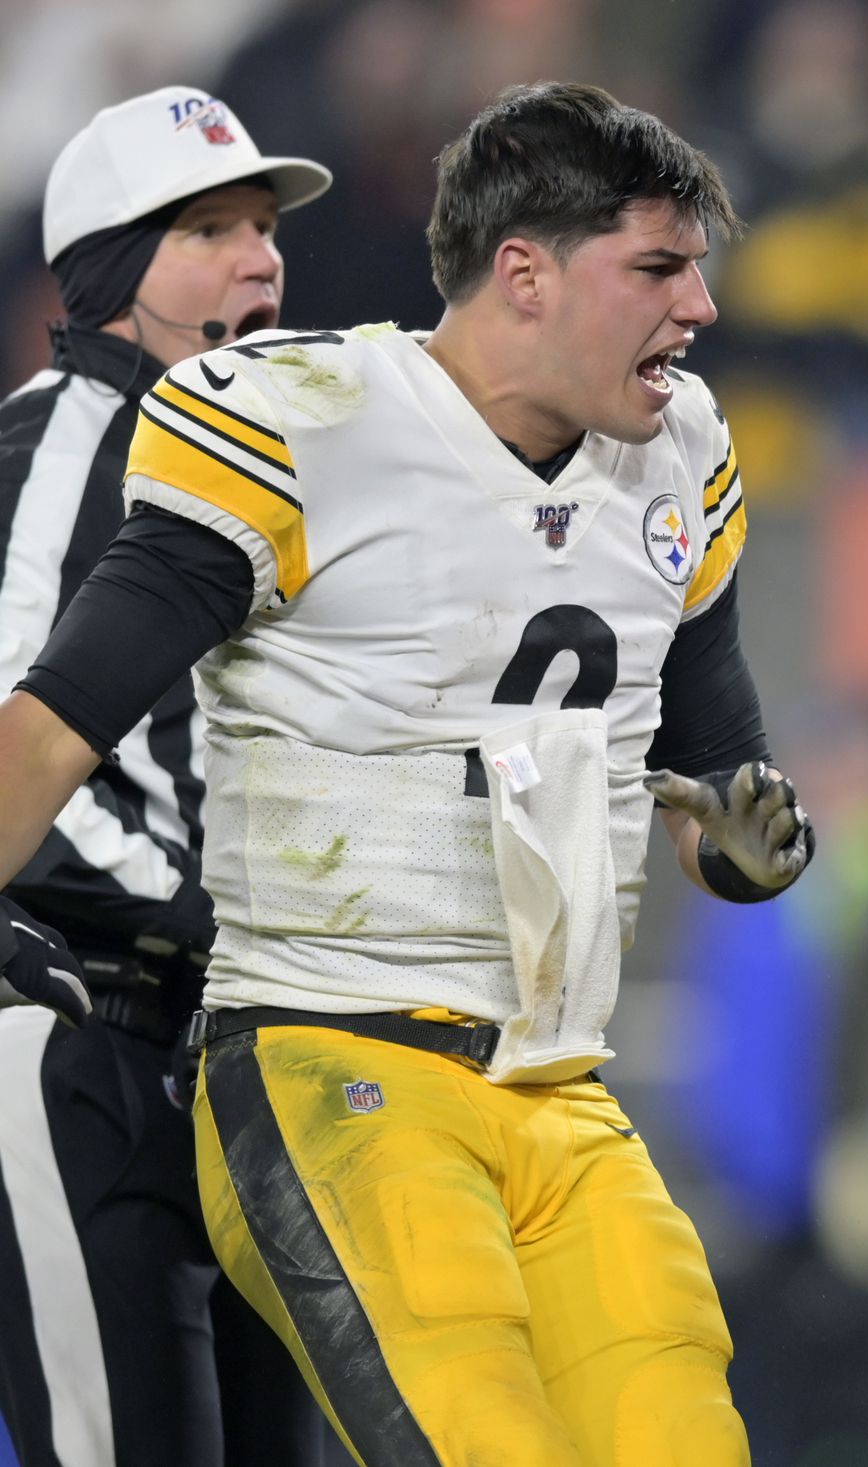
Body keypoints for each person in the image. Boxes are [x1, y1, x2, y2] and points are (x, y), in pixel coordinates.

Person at [0, 81, 813, 1466]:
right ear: (526, 274)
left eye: (264, 225)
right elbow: (44, 723)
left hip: (548, 1073)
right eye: (661, 267)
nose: (701, 308)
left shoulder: (677, 448)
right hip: (259, 1035)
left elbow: (715, 771)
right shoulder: (278, 429)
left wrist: (743, 844)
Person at [0, 85, 339, 1467]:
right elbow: (16, 729)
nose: (263, 258)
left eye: (265, 227)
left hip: (236, 1053)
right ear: (111, 275)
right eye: (212, 228)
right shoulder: (60, 441)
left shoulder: (270, 463)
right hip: (77, 1016)